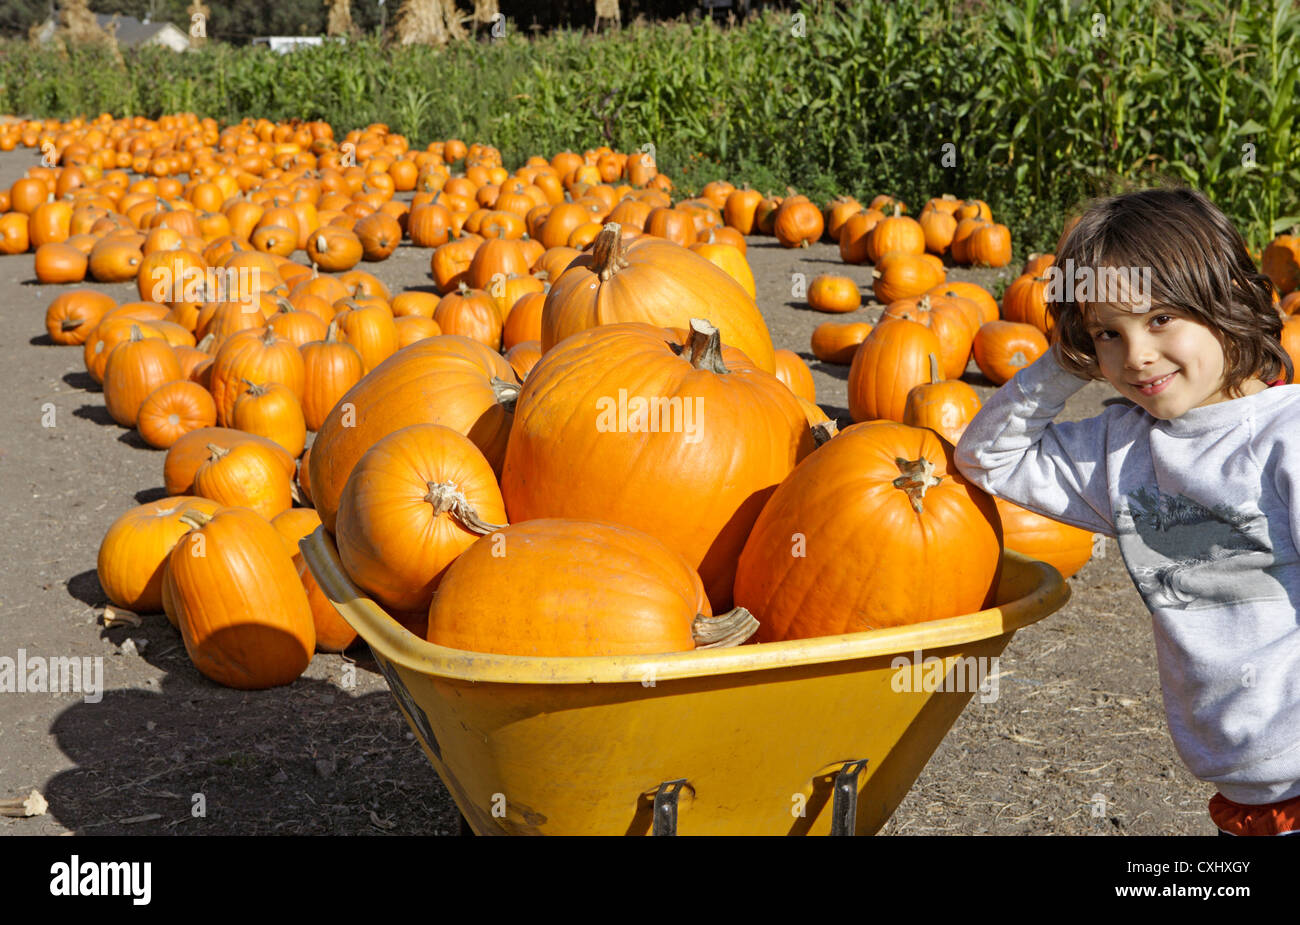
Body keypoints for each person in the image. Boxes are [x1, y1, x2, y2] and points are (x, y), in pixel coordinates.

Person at [954, 187, 1300, 836]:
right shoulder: (1122, 448)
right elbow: (986, 459)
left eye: (1160, 318)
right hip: (1242, 798)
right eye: (1110, 333)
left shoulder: (1285, 437)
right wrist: (1064, 359)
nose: (1136, 354)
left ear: (1223, 298)